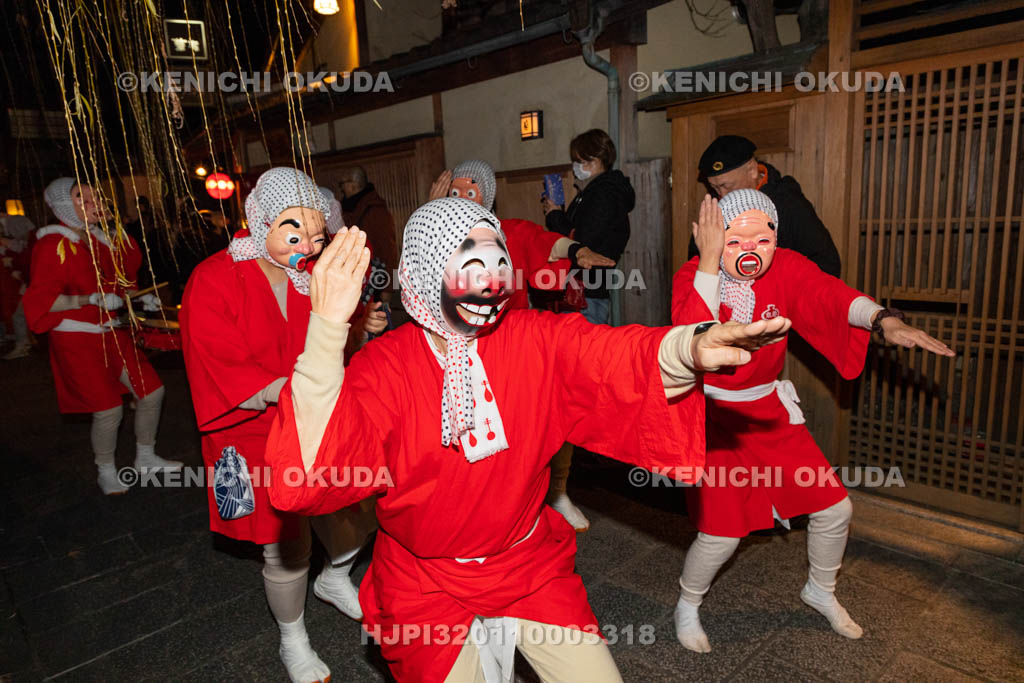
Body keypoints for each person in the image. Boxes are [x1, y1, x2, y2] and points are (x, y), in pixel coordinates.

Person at [264, 197, 793, 682]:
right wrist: (327, 328)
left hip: (528, 564)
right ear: (425, 274)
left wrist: (689, 348)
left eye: (498, 267)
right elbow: (306, 480)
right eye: (470, 268)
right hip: (426, 585)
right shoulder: (384, 368)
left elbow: (614, 354)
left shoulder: (531, 337)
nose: (490, 286)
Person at [670, 190, 955, 653]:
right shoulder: (694, 273)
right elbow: (687, 332)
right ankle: (687, 603)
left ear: (776, 239)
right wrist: (706, 261)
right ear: (714, 237)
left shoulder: (786, 267)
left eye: (761, 241)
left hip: (767, 412)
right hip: (713, 415)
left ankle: (820, 590)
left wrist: (883, 320)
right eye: (734, 240)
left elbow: (832, 296)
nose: (749, 253)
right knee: (721, 534)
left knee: (835, 508)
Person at [180, 167, 384, 683]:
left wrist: (363, 326)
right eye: (294, 231)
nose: (308, 245)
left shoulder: (306, 278)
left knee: (363, 504)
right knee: (288, 543)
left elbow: (335, 336)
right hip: (251, 428)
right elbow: (221, 364)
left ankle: (335, 578)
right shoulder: (213, 277)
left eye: (317, 236)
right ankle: (292, 636)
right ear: (260, 221)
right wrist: (294, 390)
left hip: (314, 415)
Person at [430, 159, 616, 532]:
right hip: (450, 345)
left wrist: (575, 250)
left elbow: (544, 241)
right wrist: (430, 212)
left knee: (548, 414)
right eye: (455, 193)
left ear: (489, 198)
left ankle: (558, 491)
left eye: (471, 192)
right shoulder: (436, 234)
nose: (462, 199)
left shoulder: (507, 232)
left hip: (509, 341)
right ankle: (482, 503)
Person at [22, 178, 180, 495]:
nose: (95, 202)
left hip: (114, 332)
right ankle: (105, 469)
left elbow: (122, 285)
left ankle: (145, 456)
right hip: (77, 339)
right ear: (66, 206)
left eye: (96, 195)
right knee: (108, 410)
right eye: (84, 197)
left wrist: (141, 299)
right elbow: (40, 301)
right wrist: (87, 300)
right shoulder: (53, 245)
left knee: (151, 393)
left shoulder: (105, 241)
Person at [696, 135, 841, 277]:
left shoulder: (789, 203)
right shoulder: (716, 207)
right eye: (714, 188)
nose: (722, 194)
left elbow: (827, 263)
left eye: (726, 186)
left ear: (752, 171)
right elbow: (697, 260)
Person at [541, 128, 635, 326]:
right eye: (576, 161)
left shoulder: (604, 194)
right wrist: (557, 212)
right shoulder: (590, 192)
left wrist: (556, 215)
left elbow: (581, 241)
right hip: (584, 289)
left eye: (583, 161)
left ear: (599, 160)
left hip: (587, 292)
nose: (578, 167)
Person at [339, 166, 398, 289]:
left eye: (342, 183)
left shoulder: (376, 211)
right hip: (355, 279)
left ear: (353, 185)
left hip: (375, 282)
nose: (341, 188)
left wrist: (390, 287)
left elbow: (389, 251)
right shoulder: (347, 208)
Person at [0, 213, 34, 359]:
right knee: (19, 311)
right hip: (22, 278)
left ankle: (23, 344)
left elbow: (22, 253)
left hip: (25, 279)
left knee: (18, 311)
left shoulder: (25, 240)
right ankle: (24, 341)